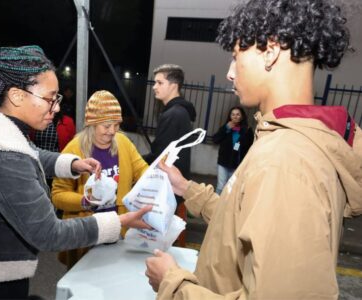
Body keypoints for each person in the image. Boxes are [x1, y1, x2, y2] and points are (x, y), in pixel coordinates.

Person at [145, 0, 362, 298]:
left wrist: (173, 283)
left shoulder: (285, 161)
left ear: (270, 52)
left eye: (236, 57)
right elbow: (240, 221)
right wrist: (187, 188)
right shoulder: (282, 141)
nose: (230, 73)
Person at [0, 45, 151, 299]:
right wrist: (118, 222)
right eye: (50, 98)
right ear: (17, 96)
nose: (57, 107)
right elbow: (49, 233)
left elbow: (30, 152)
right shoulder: (3, 159)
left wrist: (71, 164)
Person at [52, 90, 149, 269]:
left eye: (116, 125)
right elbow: (57, 195)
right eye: (106, 126)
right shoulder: (74, 149)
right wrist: (85, 201)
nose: (112, 131)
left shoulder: (123, 143)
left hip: (118, 230)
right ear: (92, 124)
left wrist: (158, 175)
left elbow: (143, 172)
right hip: (86, 233)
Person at [143, 64, 196, 246]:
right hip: (174, 189)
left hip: (167, 190)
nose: (154, 87)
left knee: (159, 244)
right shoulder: (180, 112)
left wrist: (134, 161)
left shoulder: (174, 114)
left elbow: (159, 156)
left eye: (159, 82)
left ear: (173, 85)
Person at [211, 106, 253, 194]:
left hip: (237, 164)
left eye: (238, 114)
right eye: (233, 114)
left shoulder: (247, 130)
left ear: (242, 116)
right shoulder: (226, 127)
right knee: (220, 187)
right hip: (223, 163)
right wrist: (226, 128)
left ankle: (228, 206)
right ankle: (216, 205)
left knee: (232, 188)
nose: (235, 116)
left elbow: (250, 147)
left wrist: (242, 133)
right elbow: (215, 140)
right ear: (230, 116)